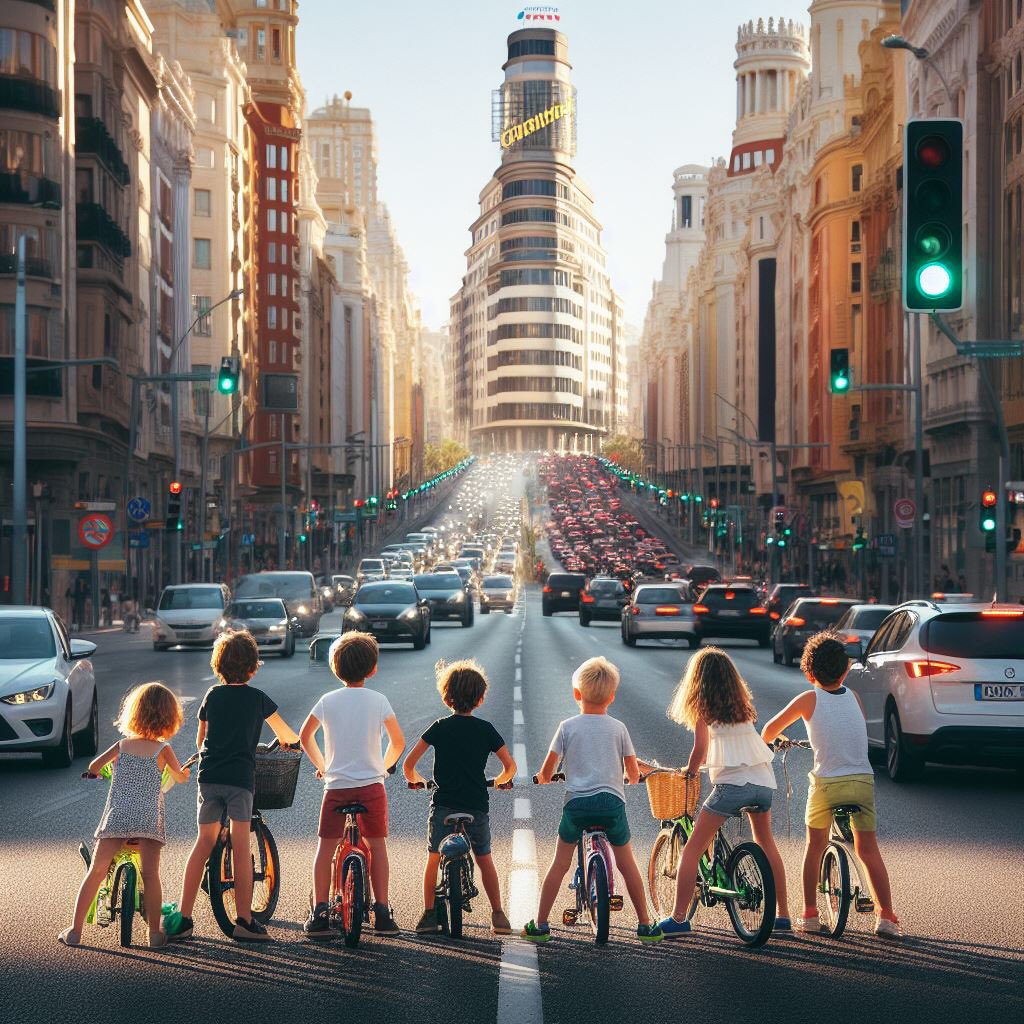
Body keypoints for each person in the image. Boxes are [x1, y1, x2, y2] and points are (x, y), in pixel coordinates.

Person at [761, 632, 901, 939]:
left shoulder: (808, 698)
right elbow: (852, 730)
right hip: (862, 781)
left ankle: (810, 914)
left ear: (809, 673)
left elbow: (769, 731)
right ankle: (886, 917)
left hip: (827, 783)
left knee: (814, 847)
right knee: (868, 850)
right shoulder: (854, 696)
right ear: (846, 670)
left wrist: (775, 742)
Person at [164, 630, 300, 942]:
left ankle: (183, 918)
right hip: (240, 780)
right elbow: (286, 733)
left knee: (203, 843)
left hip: (209, 776)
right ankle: (244, 919)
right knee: (241, 846)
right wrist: (288, 743)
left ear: (218, 666)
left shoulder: (212, 695)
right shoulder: (257, 699)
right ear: (253, 667)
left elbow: (201, 739)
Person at [522, 656, 663, 944]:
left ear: (576, 694)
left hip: (577, 806)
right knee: (627, 864)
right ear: (612, 697)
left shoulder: (566, 727)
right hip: (612, 805)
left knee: (559, 865)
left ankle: (540, 924)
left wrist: (544, 777)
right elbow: (633, 772)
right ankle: (646, 925)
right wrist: (630, 778)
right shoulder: (619, 728)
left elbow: (547, 772)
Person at [655, 647, 792, 937]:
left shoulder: (705, 709)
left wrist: (690, 771)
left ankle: (679, 919)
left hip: (732, 786)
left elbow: (701, 750)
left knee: (692, 849)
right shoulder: (743, 709)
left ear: (698, 681)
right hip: (763, 783)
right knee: (767, 845)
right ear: (732, 680)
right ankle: (783, 917)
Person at [59, 683, 190, 948]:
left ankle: (74, 931)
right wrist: (184, 773)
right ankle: (154, 934)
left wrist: (98, 772)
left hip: (117, 817)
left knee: (97, 871)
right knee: (151, 874)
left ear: (134, 714)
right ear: (169, 718)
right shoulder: (163, 750)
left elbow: (95, 766)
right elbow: (179, 777)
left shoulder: (121, 745)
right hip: (148, 819)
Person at [300, 631, 405, 939]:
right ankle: (383, 912)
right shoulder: (379, 700)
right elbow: (398, 742)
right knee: (377, 845)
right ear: (372, 669)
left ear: (335, 668)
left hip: (336, 787)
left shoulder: (327, 700)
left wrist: (323, 767)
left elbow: (305, 737)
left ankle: (319, 912)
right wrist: (383, 768)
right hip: (372, 787)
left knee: (326, 847)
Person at [404, 659, 517, 936]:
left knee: (433, 857)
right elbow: (510, 767)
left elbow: (409, 764)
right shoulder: (486, 729)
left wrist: (417, 781)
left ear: (446, 696)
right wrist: (501, 782)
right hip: (476, 804)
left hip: (444, 803)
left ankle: (429, 914)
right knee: (484, 858)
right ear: (480, 699)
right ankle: (498, 915)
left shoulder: (439, 727)